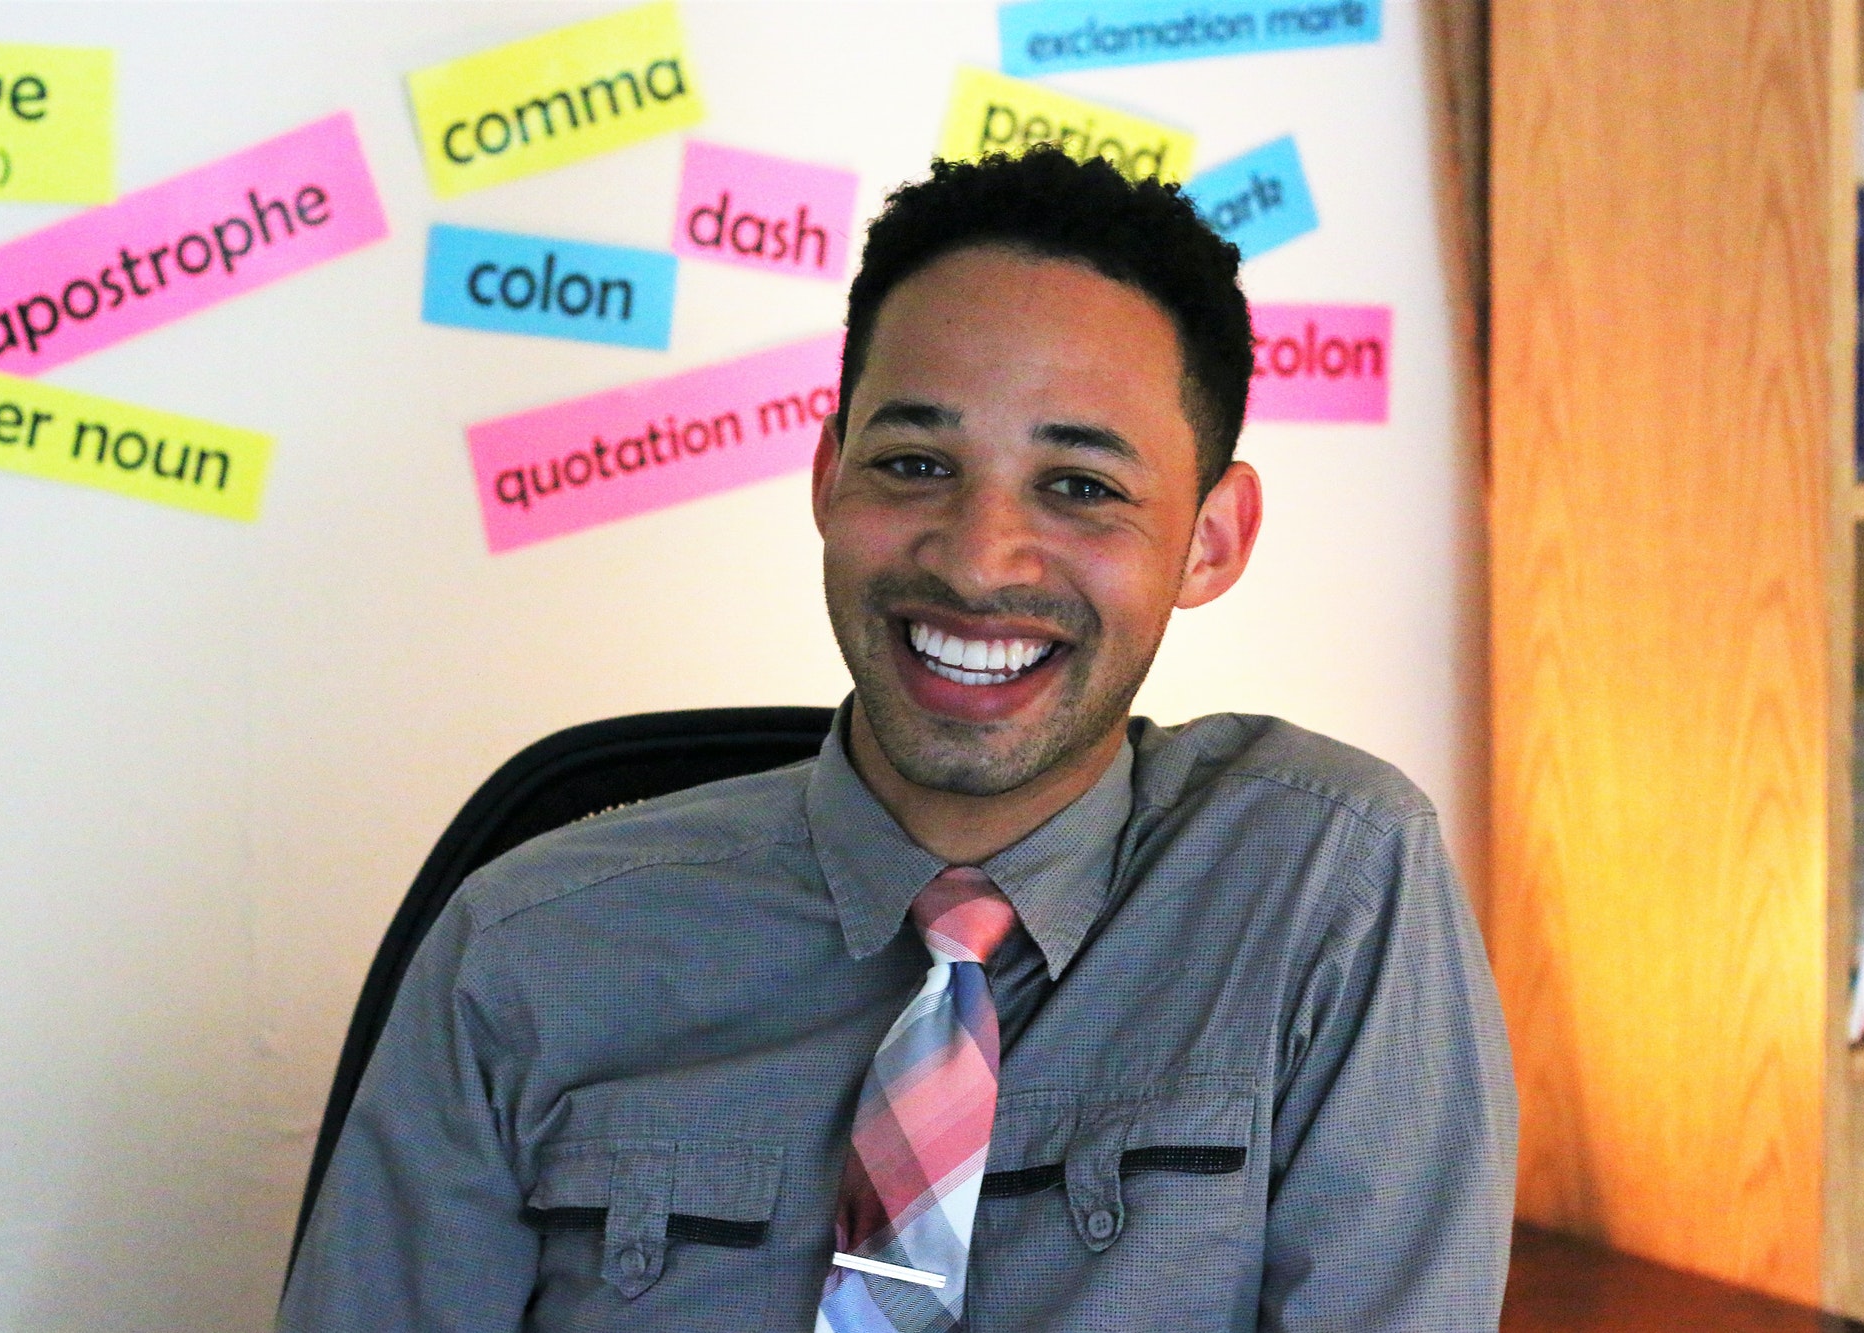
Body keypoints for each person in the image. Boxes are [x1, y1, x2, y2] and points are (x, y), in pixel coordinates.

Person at [280, 147, 1516, 1332]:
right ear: (827, 479)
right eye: (915, 463)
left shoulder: (1324, 895)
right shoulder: (519, 957)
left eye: (1079, 486)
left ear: (1210, 538)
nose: (977, 560)